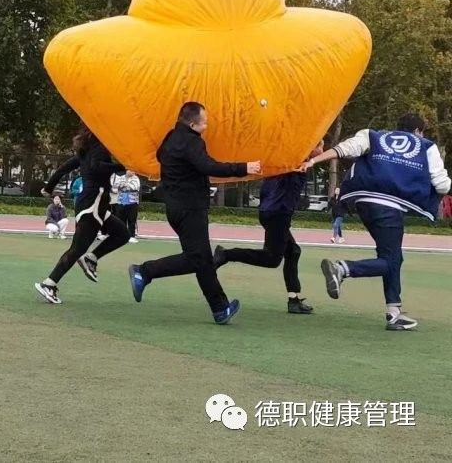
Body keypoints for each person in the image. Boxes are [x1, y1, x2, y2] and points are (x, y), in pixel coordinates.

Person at [303, 113, 450, 331]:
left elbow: (345, 149)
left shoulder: (374, 136)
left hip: (362, 202)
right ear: (418, 131)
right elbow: (442, 185)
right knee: (391, 262)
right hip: (390, 207)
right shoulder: (427, 146)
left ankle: (394, 312)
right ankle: (342, 269)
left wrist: (313, 160)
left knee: (392, 257)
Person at [128, 102, 260, 324]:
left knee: (203, 260)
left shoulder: (171, 137)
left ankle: (220, 309)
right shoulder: (192, 142)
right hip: (190, 208)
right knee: (197, 259)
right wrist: (244, 168)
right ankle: (144, 271)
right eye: (204, 122)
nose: (207, 126)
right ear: (192, 124)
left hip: (175, 207)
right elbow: (209, 166)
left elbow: (160, 156)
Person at [213, 142, 324, 315]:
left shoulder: (281, 162)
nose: (322, 150)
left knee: (293, 251)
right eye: (320, 145)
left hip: (270, 211)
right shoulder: (295, 163)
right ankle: (226, 254)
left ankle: (294, 299)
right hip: (278, 214)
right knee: (272, 259)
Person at [34, 127, 129, 305]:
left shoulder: (86, 152)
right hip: (93, 205)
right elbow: (97, 167)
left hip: (95, 205)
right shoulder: (99, 149)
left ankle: (91, 258)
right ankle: (49, 283)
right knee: (77, 249)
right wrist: (122, 166)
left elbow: (62, 170)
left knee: (122, 233)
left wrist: (48, 188)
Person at [113, 169, 141, 242]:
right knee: (121, 220)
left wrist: (124, 185)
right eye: (131, 170)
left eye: (133, 171)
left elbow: (134, 187)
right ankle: (122, 235)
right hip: (121, 202)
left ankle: (132, 236)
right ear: (127, 171)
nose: (133, 172)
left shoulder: (136, 178)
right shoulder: (121, 177)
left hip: (132, 202)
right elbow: (115, 187)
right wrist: (125, 185)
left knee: (132, 220)